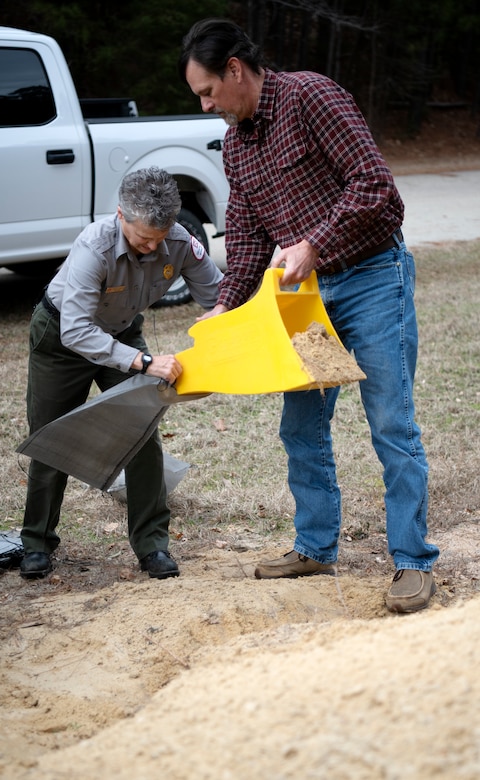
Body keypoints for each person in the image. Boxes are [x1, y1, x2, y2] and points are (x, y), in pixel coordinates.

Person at [179, 18, 439, 613]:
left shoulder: (312, 97)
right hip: (303, 300)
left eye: (209, 91)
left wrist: (315, 242)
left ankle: (413, 562)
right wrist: (223, 306)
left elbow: (377, 188)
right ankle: (315, 547)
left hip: (374, 278)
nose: (207, 104)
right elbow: (245, 239)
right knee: (300, 426)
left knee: (391, 424)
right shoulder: (237, 146)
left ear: (236, 71)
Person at [19, 166, 223, 580]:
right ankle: (37, 544)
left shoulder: (180, 242)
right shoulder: (93, 247)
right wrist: (146, 363)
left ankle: (152, 547)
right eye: (142, 237)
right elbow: (77, 330)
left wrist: (221, 325)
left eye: (158, 238)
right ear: (120, 215)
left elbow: (220, 295)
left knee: (141, 434)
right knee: (51, 437)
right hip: (61, 339)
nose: (150, 247)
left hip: (123, 332)